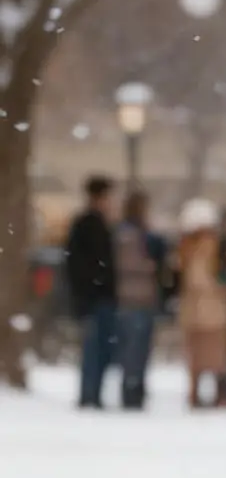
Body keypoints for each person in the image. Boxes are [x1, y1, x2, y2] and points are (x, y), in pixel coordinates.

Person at [64, 175, 118, 409]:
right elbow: (80, 264)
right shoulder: (88, 224)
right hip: (94, 297)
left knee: (101, 349)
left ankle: (93, 393)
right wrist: (92, 287)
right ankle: (89, 395)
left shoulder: (97, 224)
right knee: (94, 348)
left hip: (100, 296)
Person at [176, 199, 226, 408]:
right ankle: (204, 394)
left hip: (210, 310)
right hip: (200, 311)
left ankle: (219, 394)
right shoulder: (187, 249)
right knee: (201, 357)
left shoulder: (216, 248)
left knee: (215, 357)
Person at [111, 189, 162, 410]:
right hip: (132, 298)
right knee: (133, 349)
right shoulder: (129, 234)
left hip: (140, 297)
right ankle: (131, 394)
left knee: (138, 349)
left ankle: (135, 390)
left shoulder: (134, 233)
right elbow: (130, 264)